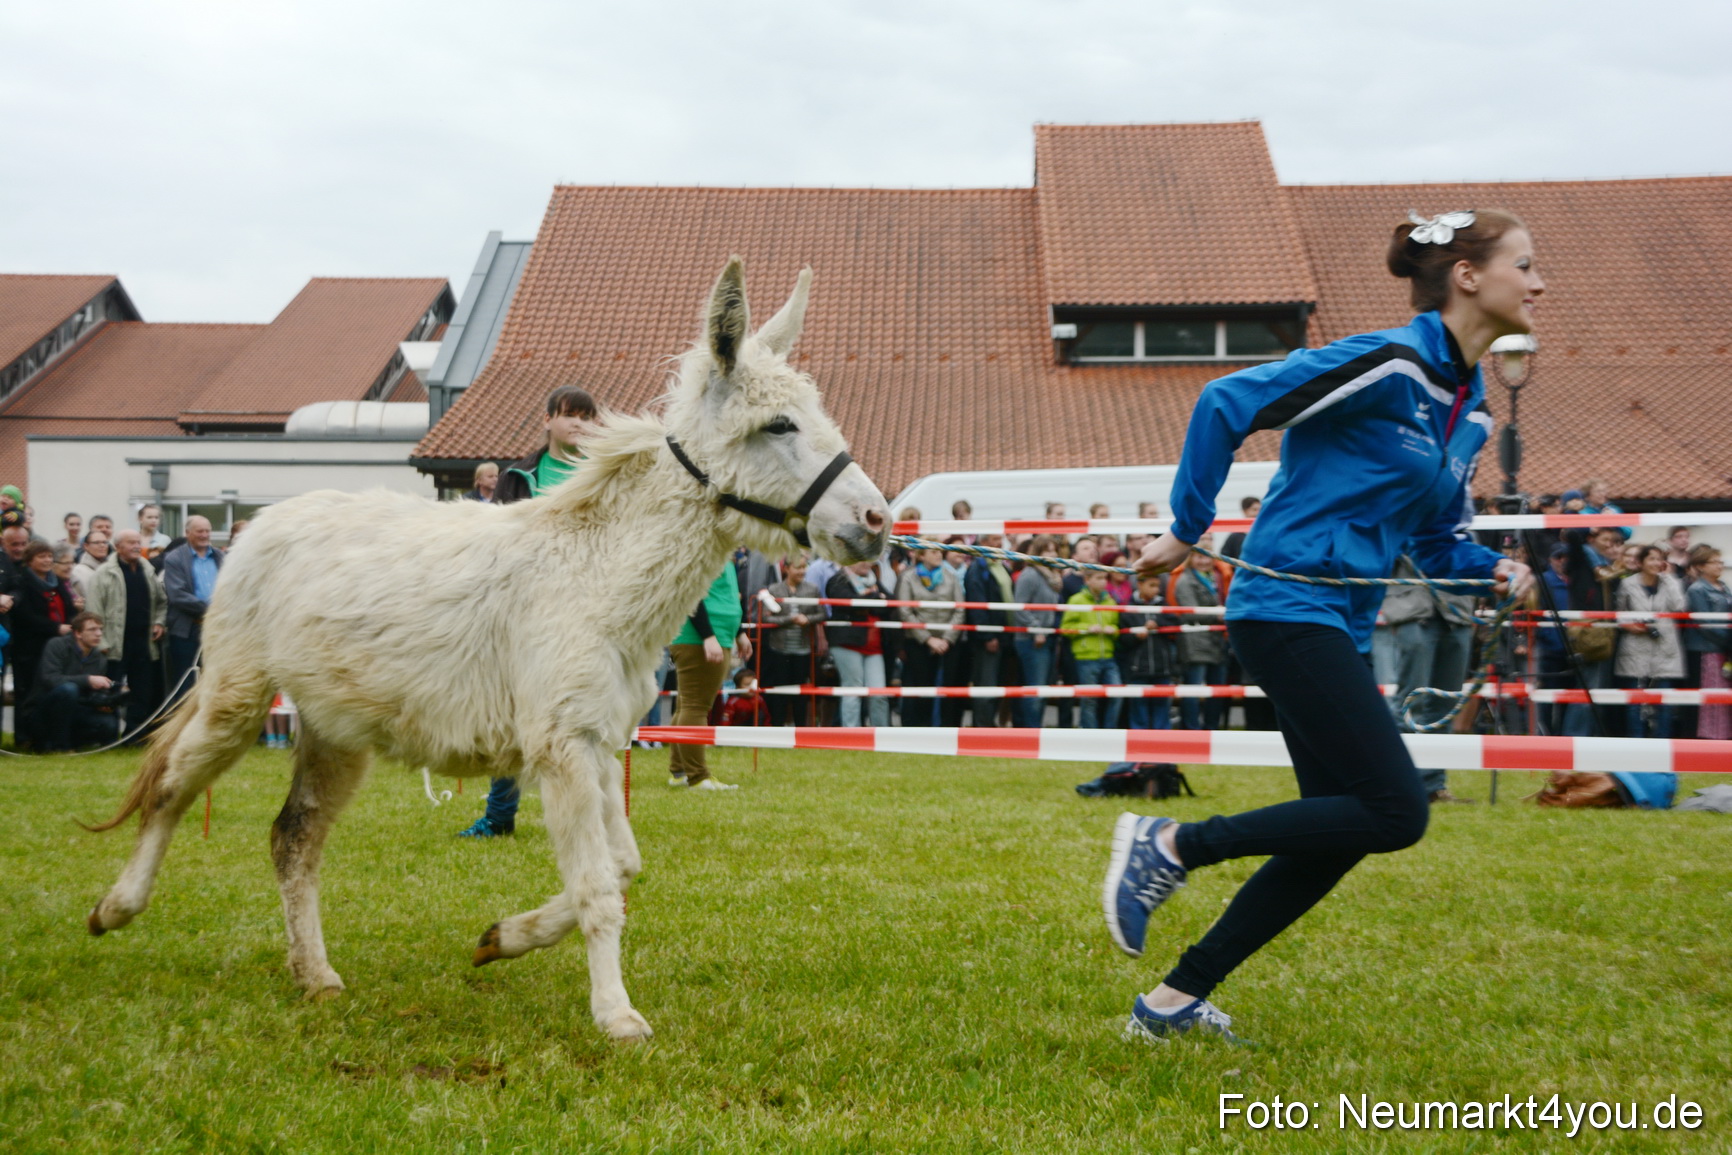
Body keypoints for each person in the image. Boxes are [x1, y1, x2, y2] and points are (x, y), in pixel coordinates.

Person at [1106, 208, 1537, 1043]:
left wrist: (1494, 569)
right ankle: (1172, 842)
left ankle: (1171, 1003)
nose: (1540, 281)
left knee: (1341, 825)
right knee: (1397, 810)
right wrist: (1186, 527)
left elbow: (1436, 537)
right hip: (1285, 604)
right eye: (1526, 263)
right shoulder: (1391, 363)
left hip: (1338, 619)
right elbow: (1227, 398)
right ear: (1468, 276)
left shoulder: (1470, 410)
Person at [459, 385, 599, 836]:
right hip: (524, 609)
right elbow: (494, 541)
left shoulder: (602, 473)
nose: (579, 424)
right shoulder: (519, 476)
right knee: (515, 711)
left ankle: (587, 816)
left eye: (587, 417)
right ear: (548, 420)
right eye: (570, 415)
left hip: (585, 610)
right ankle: (500, 817)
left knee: (585, 716)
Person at [668, 563, 752, 789]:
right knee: (695, 708)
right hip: (701, 637)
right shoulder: (704, 550)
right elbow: (690, 593)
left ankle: (680, 772)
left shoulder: (723, 552)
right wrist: (707, 636)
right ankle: (698, 776)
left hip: (712, 635)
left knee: (687, 705)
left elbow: (729, 594)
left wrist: (740, 632)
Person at [85, 528, 168, 741]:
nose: (136, 546)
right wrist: (100, 641)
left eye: (138, 542)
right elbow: (93, 610)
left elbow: (161, 601)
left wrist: (159, 622)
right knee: (110, 694)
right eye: (130, 542)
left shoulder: (147, 569)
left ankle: (134, 736)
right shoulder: (104, 574)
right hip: (114, 645)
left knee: (142, 693)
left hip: (144, 643)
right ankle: (107, 737)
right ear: (118, 547)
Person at [1615, 543, 1687, 738]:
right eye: (1651, 558)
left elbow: (1679, 606)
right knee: (1635, 702)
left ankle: (1661, 744)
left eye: (1659, 559)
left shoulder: (1669, 582)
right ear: (1641, 562)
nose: (1656, 563)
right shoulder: (1627, 583)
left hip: (1665, 647)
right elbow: (1619, 613)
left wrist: (1669, 578)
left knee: (1664, 701)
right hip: (1635, 646)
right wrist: (1629, 625)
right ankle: (1636, 744)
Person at [894, 545, 966, 728]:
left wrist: (947, 638)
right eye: (933, 551)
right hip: (918, 641)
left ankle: (947, 731)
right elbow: (905, 610)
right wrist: (928, 639)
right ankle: (920, 732)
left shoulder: (951, 577)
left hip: (948, 641)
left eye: (940, 551)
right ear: (921, 555)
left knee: (948, 690)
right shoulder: (908, 577)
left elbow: (960, 609)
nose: (938, 555)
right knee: (921, 689)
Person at [28, 612, 120, 751]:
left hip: (78, 709)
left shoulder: (99, 658)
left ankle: (98, 745)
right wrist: (87, 680)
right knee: (68, 690)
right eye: (92, 629)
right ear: (78, 633)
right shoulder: (56, 645)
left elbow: (90, 694)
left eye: (100, 629)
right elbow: (50, 679)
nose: (99, 634)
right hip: (45, 709)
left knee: (109, 723)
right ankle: (59, 747)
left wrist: (105, 701)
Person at [10, 540, 77, 725]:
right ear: (29, 560)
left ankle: (49, 732)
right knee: (28, 690)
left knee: (51, 689)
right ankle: (25, 736)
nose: (47, 560)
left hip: (57, 646)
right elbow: (26, 616)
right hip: (30, 648)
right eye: (41, 556)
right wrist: (55, 627)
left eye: (49, 556)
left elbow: (68, 607)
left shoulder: (56, 582)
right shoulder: (23, 581)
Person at [1172, 538, 1231, 731]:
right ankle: (1192, 729)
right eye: (1199, 557)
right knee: (1193, 690)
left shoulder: (1217, 578)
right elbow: (1191, 611)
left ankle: (1211, 728)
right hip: (1194, 642)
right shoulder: (1184, 580)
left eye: (1207, 557)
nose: (1204, 561)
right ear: (1191, 558)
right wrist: (1218, 614)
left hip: (1216, 641)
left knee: (1217, 690)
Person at [162, 515, 223, 700]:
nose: (204, 535)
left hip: (217, 629)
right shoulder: (174, 558)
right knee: (186, 682)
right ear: (188, 533)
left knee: (216, 679)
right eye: (199, 531)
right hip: (188, 630)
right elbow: (178, 594)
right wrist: (213, 610)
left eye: (207, 531)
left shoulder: (221, 556)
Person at [826, 559, 892, 728]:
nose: (867, 563)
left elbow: (890, 603)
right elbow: (848, 602)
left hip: (874, 645)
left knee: (879, 693)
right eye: (861, 559)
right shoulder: (837, 580)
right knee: (852, 690)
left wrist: (869, 600)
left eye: (869, 559)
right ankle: (851, 735)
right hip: (847, 643)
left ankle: (882, 734)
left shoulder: (873, 579)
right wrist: (875, 597)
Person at [759, 555, 821, 726]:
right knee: (779, 692)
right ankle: (778, 728)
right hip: (779, 649)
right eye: (798, 567)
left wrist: (807, 619)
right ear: (786, 568)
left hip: (803, 649)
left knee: (801, 692)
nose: (802, 571)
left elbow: (822, 613)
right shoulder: (774, 589)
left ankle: (801, 729)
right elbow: (765, 618)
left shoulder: (813, 588)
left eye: (804, 567)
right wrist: (790, 619)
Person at [1010, 537, 1063, 728]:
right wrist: (1036, 629)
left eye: (1054, 550)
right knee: (1036, 690)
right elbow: (1019, 607)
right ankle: (1032, 731)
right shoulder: (1030, 575)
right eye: (1048, 551)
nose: (1053, 555)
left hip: (1046, 638)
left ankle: (1029, 729)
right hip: (1031, 640)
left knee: (1038, 689)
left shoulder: (1051, 576)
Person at [1061, 568, 1123, 728]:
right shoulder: (1076, 600)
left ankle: (1110, 733)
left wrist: (1112, 630)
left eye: (1104, 578)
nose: (1103, 582)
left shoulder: (1110, 601)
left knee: (1117, 695)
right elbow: (1066, 628)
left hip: (1108, 657)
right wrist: (1086, 627)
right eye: (1098, 577)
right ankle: (1089, 734)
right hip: (1086, 658)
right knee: (1089, 699)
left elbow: (1117, 627)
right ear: (1087, 580)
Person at [963, 534, 1014, 727]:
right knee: (986, 685)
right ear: (983, 543)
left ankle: (990, 724)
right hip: (988, 639)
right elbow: (977, 604)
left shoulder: (1002, 567)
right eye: (994, 540)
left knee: (997, 684)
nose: (999, 544)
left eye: (999, 540)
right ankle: (982, 727)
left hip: (1005, 636)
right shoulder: (978, 569)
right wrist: (987, 635)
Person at [1685, 546, 1730, 740]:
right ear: (1701, 566)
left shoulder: (1725, 587)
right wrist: (1726, 641)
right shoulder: (1697, 589)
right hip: (1707, 649)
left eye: (1720, 562)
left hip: (1725, 649)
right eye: (1715, 562)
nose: (1719, 566)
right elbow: (1705, 623)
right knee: (1712, 694)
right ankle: (1710, 735)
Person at [1122, 573, 1177, 730]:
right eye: (1151, 585)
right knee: (1138, 708)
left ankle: (1162, 742)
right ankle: (1138, 742)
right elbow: (1122, 639)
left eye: (1158, 586)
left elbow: (1176, 622)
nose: (1156, 590)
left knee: (1162, 707)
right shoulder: (1128, 608)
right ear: (1139, 584)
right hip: (1138, 668)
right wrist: (1136, 637)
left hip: (1162, 666)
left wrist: (1158, 623)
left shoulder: (1163, 605)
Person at [72, 532, 110, 604]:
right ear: (86, 546)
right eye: (96, 543)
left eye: (105, 542)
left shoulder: (112, 568)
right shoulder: (78, 571)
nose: (102, 545)